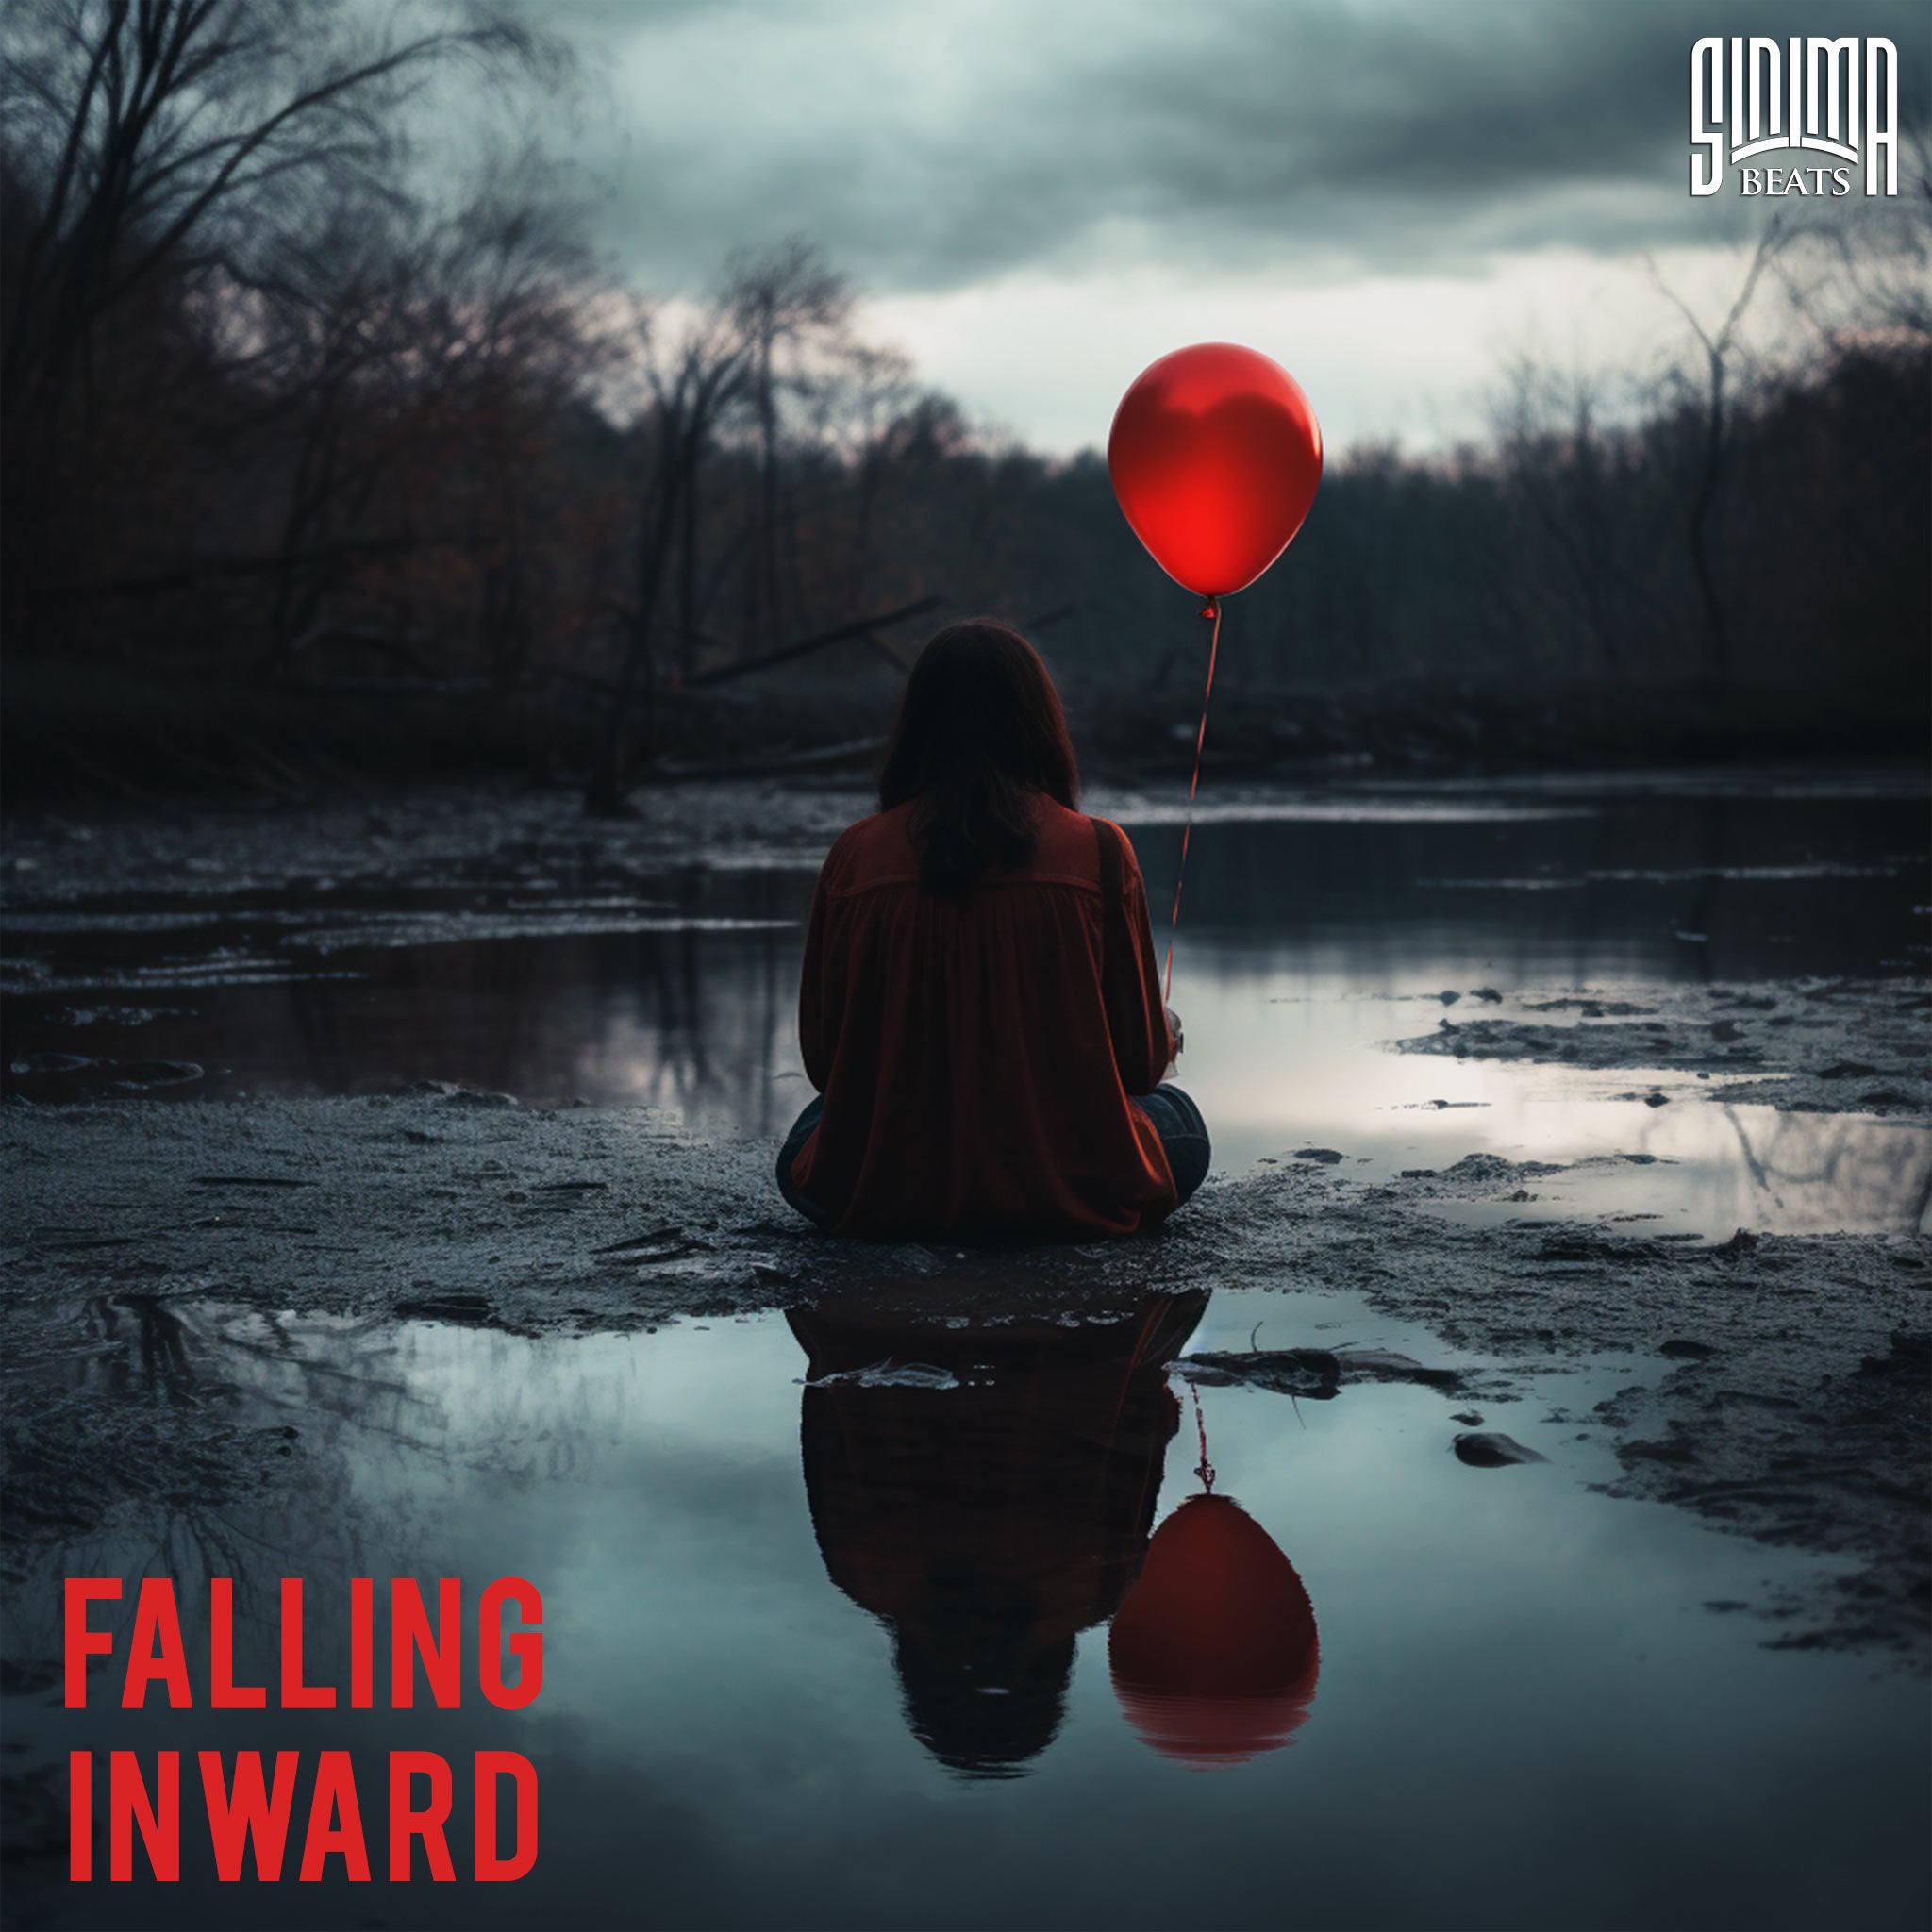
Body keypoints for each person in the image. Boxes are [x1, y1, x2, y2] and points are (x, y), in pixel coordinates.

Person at [775, 616, 1210, 1240]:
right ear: (1040, 724)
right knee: (1179, 1120)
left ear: (917, 726)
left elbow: (825, 1065)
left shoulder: (854, 855)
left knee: (813, 1130)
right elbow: (1140, 1070)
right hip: (1066, 1191)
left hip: (887, 1193)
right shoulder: (1102, 852)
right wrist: (1162, 1034)